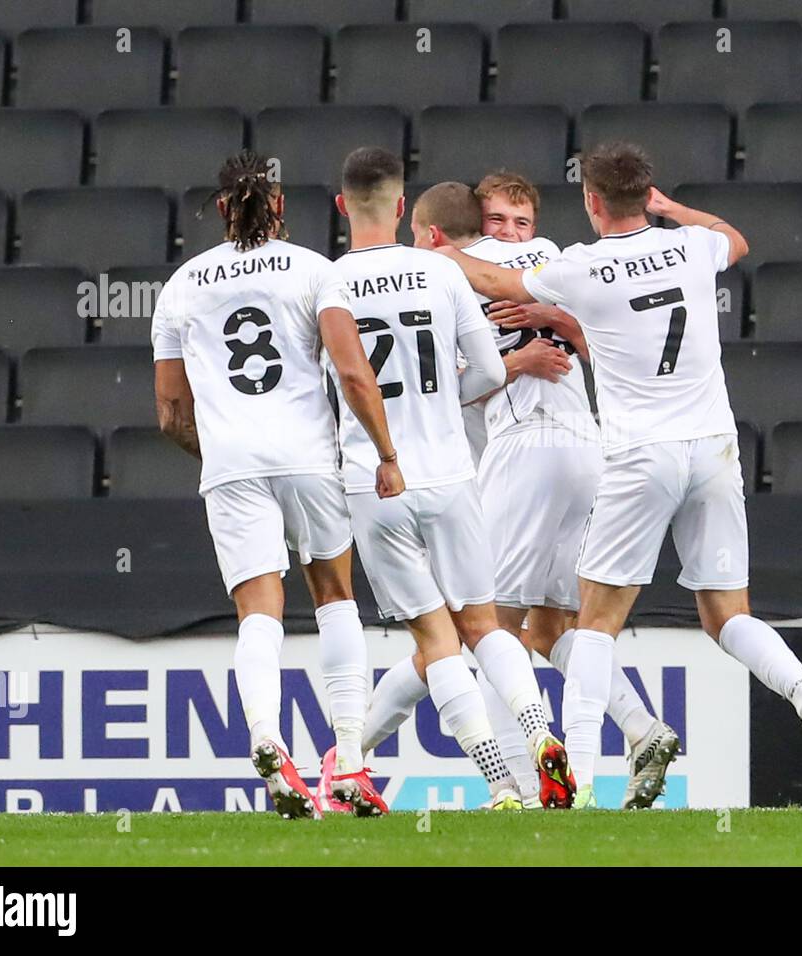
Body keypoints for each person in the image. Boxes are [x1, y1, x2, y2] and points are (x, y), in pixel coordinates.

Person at [434, 142, 802, 806]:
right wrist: (670, 209)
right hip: (714, 448)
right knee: (725, 617)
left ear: (592, 201)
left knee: (594, 622)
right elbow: (734, 239)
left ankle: (575, 783)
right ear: (647, 195)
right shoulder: (690, 247)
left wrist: (431, 251)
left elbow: (496, 283)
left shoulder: (583, 267)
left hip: (638, 456)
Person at [151, 150, 403, 819]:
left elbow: (171, 413)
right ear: (282, 208)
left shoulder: (182, 285)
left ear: (223, 211)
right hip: (307, 456)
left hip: (231, 461)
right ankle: (349, 761)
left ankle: (269, 740)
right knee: (334, 596)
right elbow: (353, 375)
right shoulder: (316, 271)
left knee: (259, 611)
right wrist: (384, 452)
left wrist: (223, 453)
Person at [329, 147, 576, 809]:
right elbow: (493, 373)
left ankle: (498, 781)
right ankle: (541, 734)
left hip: (377, 480)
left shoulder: (326, 282)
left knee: (436, 639)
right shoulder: (439, 273)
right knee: (485, 625)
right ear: (401, 205)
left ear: (340, 206)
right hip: (452, 473)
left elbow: (340, 379)